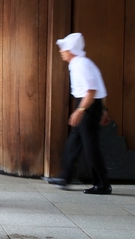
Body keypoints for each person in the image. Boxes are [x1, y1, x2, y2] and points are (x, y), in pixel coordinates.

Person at [43, 32, 112, 195]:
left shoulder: (81, 64)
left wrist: (80, 110)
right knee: (74, 143)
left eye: (64, 48)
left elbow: (91, 90)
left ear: (71, 50)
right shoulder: (79, 63)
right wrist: (103, 110)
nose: (61, 51)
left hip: (87, 105)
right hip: (89, 104)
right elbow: (98, 89)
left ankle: (102, 184)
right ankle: (65, 176)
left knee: (90, 146)